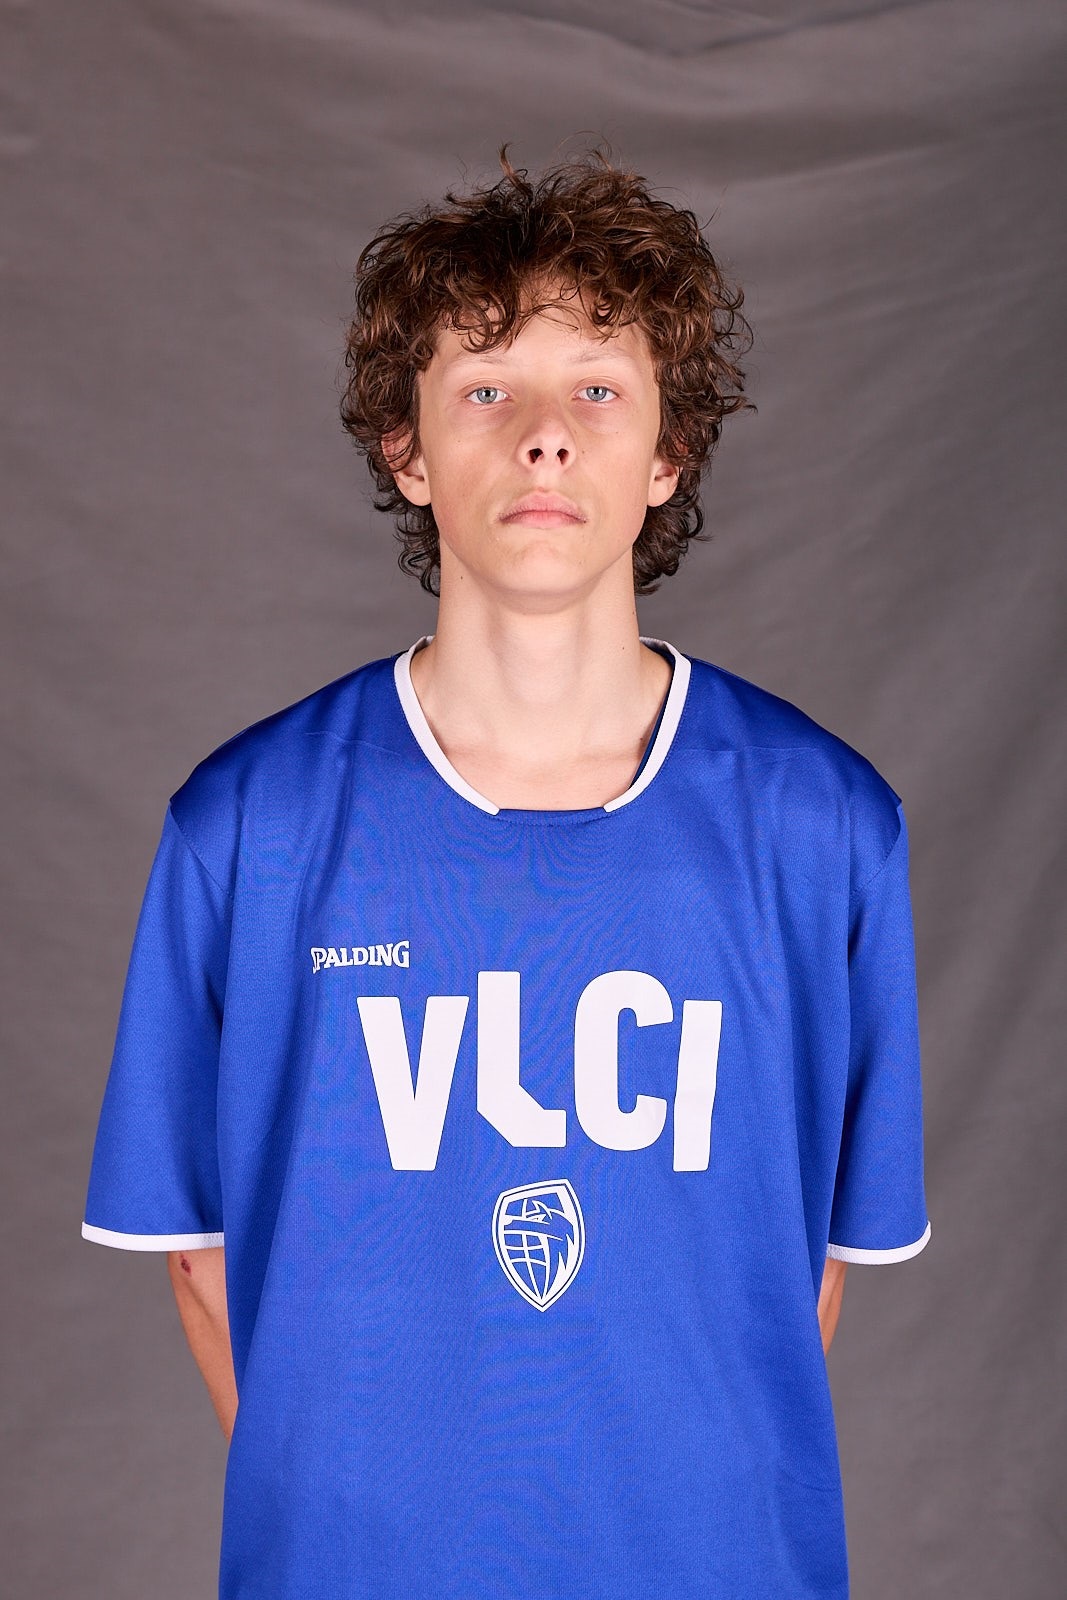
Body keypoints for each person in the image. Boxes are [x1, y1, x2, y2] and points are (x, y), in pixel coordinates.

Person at [82, 145, 931, 1599]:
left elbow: (801, 1276)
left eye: (597, 388)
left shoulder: (824, 826)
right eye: (485, 389)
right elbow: (203, 1262)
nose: (544, 437)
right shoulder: (248, 825)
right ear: (406, 448)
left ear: (668, 451)